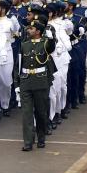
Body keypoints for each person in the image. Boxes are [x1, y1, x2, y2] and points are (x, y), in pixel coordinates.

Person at [14, 21, 56, 151]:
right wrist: (17, 83)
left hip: (40, 82)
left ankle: (41, 137)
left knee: (40, 112)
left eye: (31, 29)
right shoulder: (24, 45)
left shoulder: (45, 44)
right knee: (26, 113)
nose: (28, 30)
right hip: (26, 81)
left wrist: (51, 38)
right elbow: (18, 66)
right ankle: (28, 141)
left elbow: (51, 48)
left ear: (38, 31)